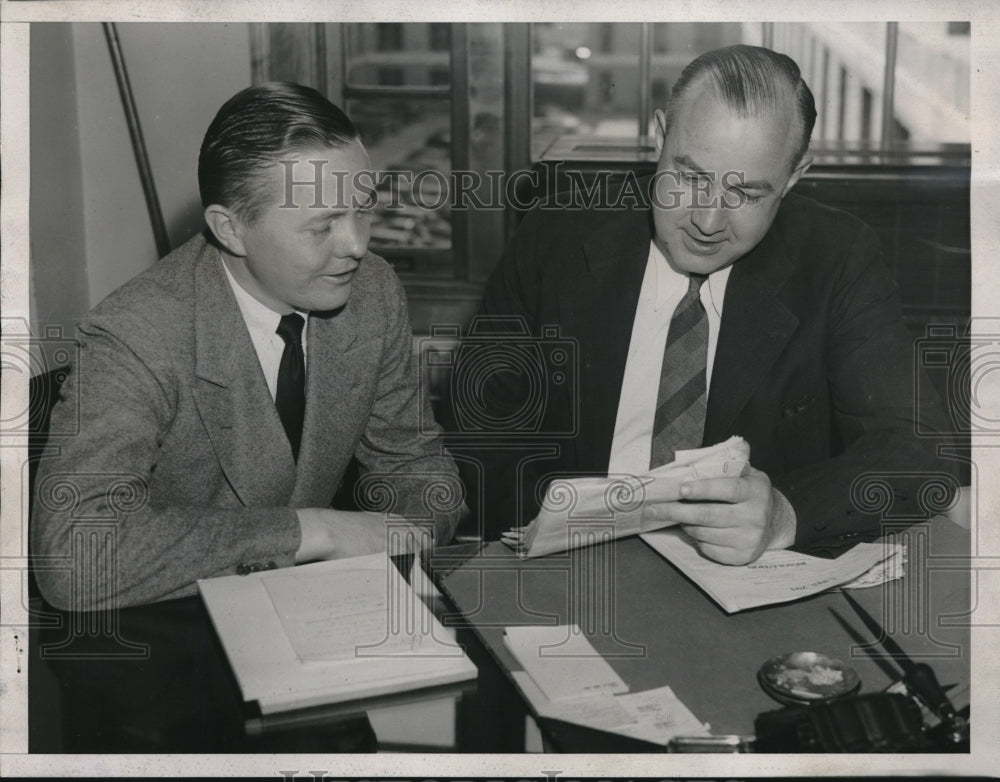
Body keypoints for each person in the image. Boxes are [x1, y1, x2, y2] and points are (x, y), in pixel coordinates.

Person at [458, 44, 956, 563]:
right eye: (691, 177)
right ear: (658, 138)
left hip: (744, 591)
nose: (708, 221)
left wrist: (786, 513)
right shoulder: (558, 233)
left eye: (745, 194)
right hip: (569, 567)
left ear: (792, 178)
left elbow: (921, 451)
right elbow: (481, 426)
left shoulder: (837, 258)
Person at [32, 83, 461, 611]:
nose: (357, 244)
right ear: (230, 231)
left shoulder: (371, 292)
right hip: (169, 635)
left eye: (362, 210)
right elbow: (74, 558)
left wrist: (404, 547)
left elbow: (417, 468)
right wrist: (312, 531)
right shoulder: (135, 335)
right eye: (323, 224)